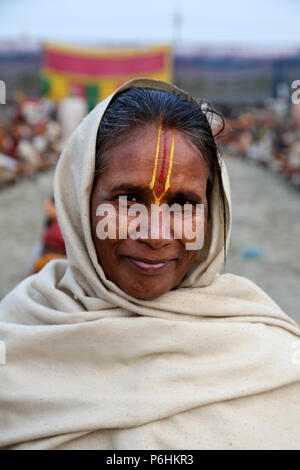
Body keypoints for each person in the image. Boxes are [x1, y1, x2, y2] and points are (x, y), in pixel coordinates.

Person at [0, 78, 300, 450]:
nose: (156, 234)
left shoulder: (274, 360)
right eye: (127, 199)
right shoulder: (16, 341)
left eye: (184, 204)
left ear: (213, 214)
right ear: (80, 199)